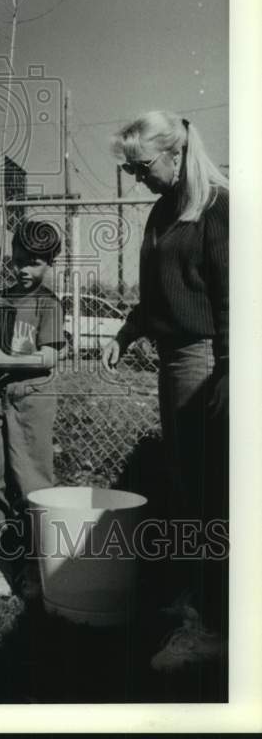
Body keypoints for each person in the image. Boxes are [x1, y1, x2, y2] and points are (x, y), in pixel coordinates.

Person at [102, 111, 228, 673]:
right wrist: (128, 332)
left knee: (207, 490)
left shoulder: (218, 208)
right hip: (172, 359)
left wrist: (229, 370)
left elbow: (234, 298)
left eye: (141, 166)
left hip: (204, 360)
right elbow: (154, 294)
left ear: (175, 155)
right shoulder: (162, 210)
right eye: (129, 169)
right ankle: (199, 595)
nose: (135, 177)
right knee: (185, 484)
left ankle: (214, 624)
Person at [0, 219, 65, 598]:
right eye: (20, 260)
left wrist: (5, 357)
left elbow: (49, 356)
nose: (25, 269)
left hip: (31, 396)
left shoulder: (48, 303)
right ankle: (3, 557)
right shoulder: (3, 298)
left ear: (50, 263)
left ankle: (35, 562)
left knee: (31, 480)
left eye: (35, 263)